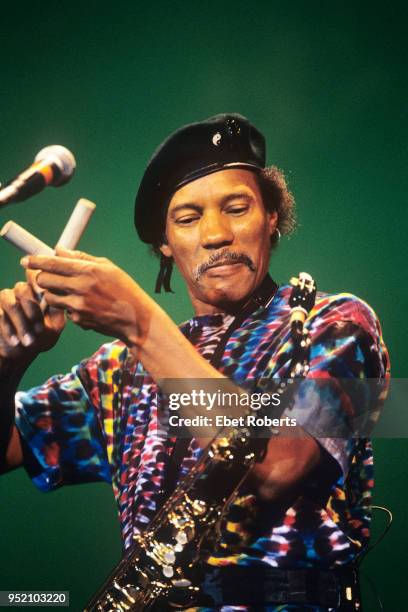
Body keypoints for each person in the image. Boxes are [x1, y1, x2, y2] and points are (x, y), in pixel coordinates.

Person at [0, 114, 389, 611]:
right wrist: (10, 360)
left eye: (237, 207)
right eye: (187, 218)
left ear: (272, 217)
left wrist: (141, 324)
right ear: (164, 242)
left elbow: (279, 465)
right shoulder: (118, 369)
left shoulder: (337, 324)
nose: (215, 234)